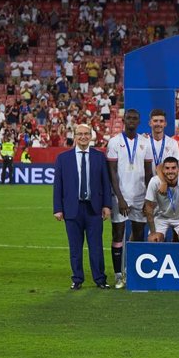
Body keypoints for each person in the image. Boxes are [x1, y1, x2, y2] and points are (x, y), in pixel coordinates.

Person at [53, 124, 112, 290]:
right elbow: (58, 185)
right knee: (75, 248)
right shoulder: (63, 158)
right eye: (80, 134)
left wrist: (107, 205)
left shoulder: (99, 156)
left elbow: (105, 183)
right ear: (74, 136)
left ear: (91, 136)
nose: (83, 137)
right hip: (72, 209)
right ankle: (77, 279)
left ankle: (100, 279)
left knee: (96, 247)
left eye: (86, 134)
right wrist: (58, 208)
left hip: (94, 209)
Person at [106, 109, 153, 289]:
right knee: (118, 233)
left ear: (139, 121)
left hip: (140, 196)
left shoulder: (145, 142)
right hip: (121, 197)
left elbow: (149, 173)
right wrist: (120, 198)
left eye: (135, 118)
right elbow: (112, 172)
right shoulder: (115, 142)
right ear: (123, 120)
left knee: (138, 233)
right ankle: (118, 274)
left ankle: (132, 272)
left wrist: (148, 200)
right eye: (129, 118)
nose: (132, 121)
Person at [143, 157, 179, 243]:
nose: (170, 171)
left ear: (178, 169)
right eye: (167, 168)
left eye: (173, 168)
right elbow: (148, 207)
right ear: (163, 170)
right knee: (153, 240)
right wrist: (153, 232)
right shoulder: (155, 181)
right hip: (162, 217)